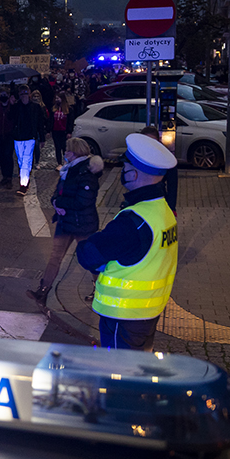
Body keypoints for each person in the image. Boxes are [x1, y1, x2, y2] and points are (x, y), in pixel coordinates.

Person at [78, 134, 178, 350]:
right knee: (136, 373)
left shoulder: (134, 222)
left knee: (118, 377)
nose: (122, 172)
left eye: (125, 167)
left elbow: (87, 254)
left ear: (135, 173)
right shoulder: (163, 211)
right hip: (148, 312)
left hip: (123, 317)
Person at [28, 138, 101, 307]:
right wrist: (55, 201)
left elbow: (84, 201)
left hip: (83, 224)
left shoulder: (86, 173)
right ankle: (43, 291)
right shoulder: (68, 170)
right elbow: (58, 192)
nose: (65, 153)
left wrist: (60, 204)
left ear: (74, 152)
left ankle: (99, 289)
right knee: (55, 257)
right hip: (66, 222)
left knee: (91, 259)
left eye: (67, 150)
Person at [8, 88, 43, 195]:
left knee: (26, 160)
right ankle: (24, 177)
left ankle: (23, 184)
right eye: (22, 94)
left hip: (30, 137)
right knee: (20, 160)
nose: (24, 96)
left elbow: (40, 122)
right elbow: (10, 118)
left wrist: (42, 137)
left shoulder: (35, 107)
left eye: (26, 94)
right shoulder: (17, 107)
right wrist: (12, 104)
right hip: (18, 137)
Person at [139, 126, 178, 213]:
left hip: (158, 198)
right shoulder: (138, 156)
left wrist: (171, 207)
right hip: (139, 199)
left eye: (152, 141)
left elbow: (172, 186)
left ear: (158, 140)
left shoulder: (167, 158)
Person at [49, 95, 71, 165]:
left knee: (65, 148)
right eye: (56, 98)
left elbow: (70, 121)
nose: (56, 99)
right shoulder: (53, 109)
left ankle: (66, 162)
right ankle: (59, 163)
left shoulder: (69, 109)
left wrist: (69, 131)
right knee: (57, 147)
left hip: (64, 131)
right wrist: (49, 130)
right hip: (55, 131)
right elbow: (51, 120)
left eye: (58, 98)